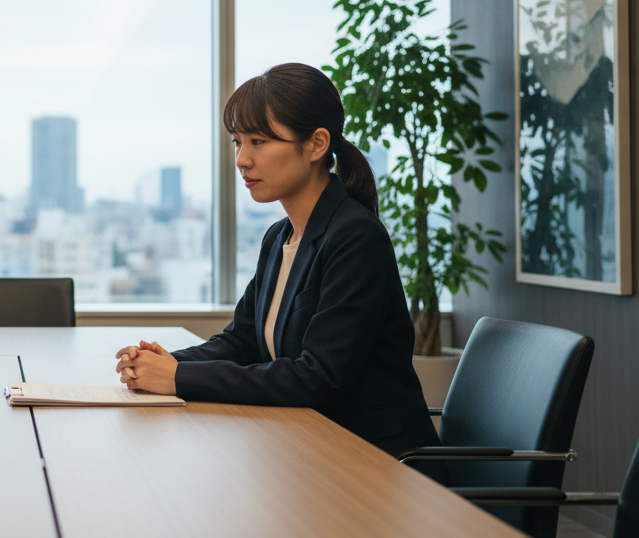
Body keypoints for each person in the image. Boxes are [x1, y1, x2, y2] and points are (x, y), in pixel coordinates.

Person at [115, 63, 446, 478]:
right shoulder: (280, 237)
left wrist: (179, 378)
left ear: (316, 144)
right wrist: (162, 362)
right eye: (237, 142)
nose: (241, 159)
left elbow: (318, 377)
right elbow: (239, 343)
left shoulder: (356, 237)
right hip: (309, 450)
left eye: (258, 141)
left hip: (376, 465)